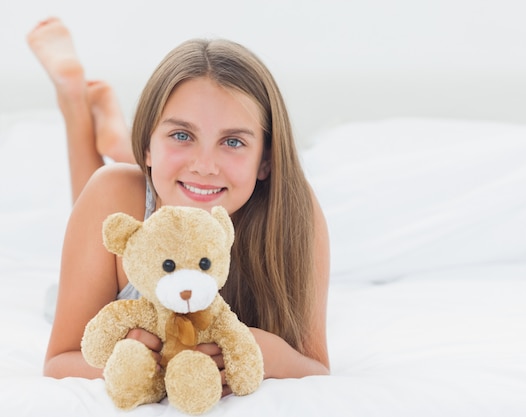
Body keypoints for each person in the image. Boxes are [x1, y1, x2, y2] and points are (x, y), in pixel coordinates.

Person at [27, 17, 330, 395]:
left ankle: (120, 131)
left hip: (168, 179)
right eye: (182, 134)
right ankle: (75, 105)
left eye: (233, 142)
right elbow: (60, 361)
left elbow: (317, 365)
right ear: (149, 144)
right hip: (139, 188)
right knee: (114, 189)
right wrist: (142, 362)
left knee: (177, 180)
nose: (206, 164)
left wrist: (270, 355)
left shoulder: (295, 215)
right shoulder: (115, 193)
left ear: (266, 159)